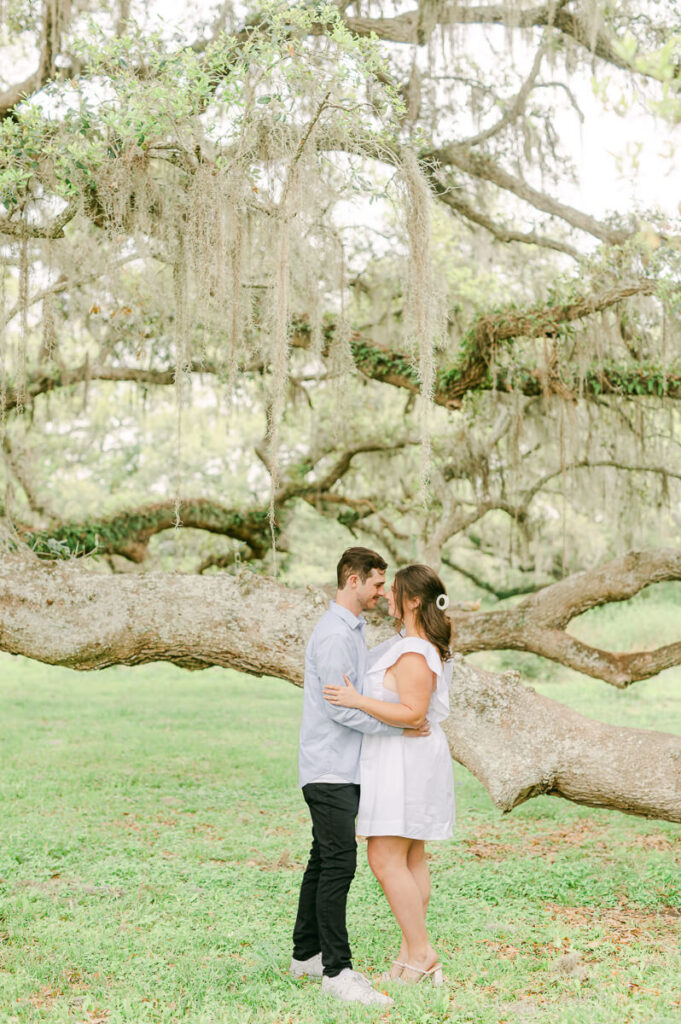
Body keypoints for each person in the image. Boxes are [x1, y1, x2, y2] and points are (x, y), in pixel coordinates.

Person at [290, 547, 431, 1007]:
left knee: (321, 858)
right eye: (375, 584)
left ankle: (306, 954)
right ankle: (337, 972)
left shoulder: (352, 630)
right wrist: (401, 723)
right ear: (353, 580)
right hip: (330, 766)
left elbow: (360, 694)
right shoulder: (334, 634)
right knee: (339, 864)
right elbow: (339, 706)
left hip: (342, 766)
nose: (379, 594)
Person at [323, 563, 455, 986]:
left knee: (384, 858)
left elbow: (413, 713)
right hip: (400, 757)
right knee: (410, 857)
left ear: (414, 600)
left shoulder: (416, 651)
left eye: (394, 590)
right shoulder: (407, 643)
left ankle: (421, 952)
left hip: (406, 763)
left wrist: (357, 700)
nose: (387, 596)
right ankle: (409, 956)